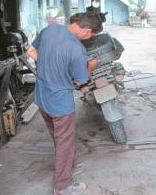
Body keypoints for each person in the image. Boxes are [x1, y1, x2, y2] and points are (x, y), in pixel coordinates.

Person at [26, 12, 103, 195]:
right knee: (64, 143)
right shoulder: (77, 49)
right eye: (91, 35)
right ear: (87, 32)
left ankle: (69, 166)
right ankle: (63, 186)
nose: (89, 38)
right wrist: (91, 66)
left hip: (42, 97)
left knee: (59, 139)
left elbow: (31, 51)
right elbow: (80, 81)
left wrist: (49, 65)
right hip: (60, 104)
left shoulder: (49, 30)